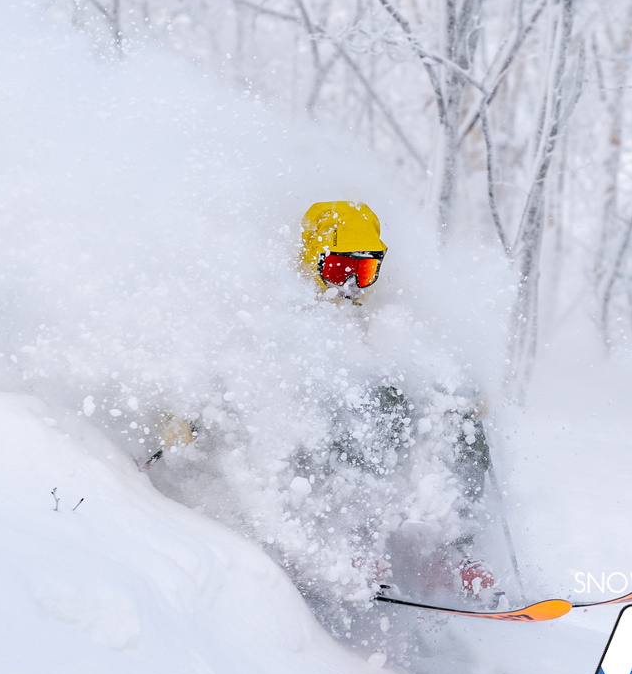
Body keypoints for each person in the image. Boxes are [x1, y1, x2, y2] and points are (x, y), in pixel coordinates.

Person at [149, 201, 501, 608]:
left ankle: (450, 551)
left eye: (364, 271)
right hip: (299, 453)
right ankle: (349, 542)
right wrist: (185, 416)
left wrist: (459, 393)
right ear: (311, 260)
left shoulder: (380, 318)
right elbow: (227, 369)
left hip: (369, 446)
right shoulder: (274, 310)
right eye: (338, 268)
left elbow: (421, 362)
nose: (351, 283)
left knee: (454, 420)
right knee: (345, 407)